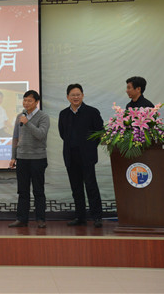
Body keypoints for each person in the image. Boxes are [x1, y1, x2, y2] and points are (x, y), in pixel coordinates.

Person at [58, 84, 104, 228]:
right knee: (76, 189)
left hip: (87, 156)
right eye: (73, 95)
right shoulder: (63, 114)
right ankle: (80, 217)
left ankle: (97, 217)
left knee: (91, 187)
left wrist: (89, 147)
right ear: (68, 97)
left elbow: (99, 133)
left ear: (83, 95)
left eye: (78, 94)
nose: (76, 97)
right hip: (71, 156)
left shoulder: (92, 112)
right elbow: (62, 134)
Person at [8, 90, 50, 228]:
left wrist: (27, 123)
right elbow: (15, 138)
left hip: (38, 158)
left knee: (38, 190)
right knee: (22, 191)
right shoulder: (20, 116)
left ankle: (40, 219)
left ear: (36, 102)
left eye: (29, 101)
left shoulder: (43, 117)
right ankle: (21, 219)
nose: (26, 103)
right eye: (24, 100)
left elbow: (41, 134)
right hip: (22, 158)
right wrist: (13, 156)